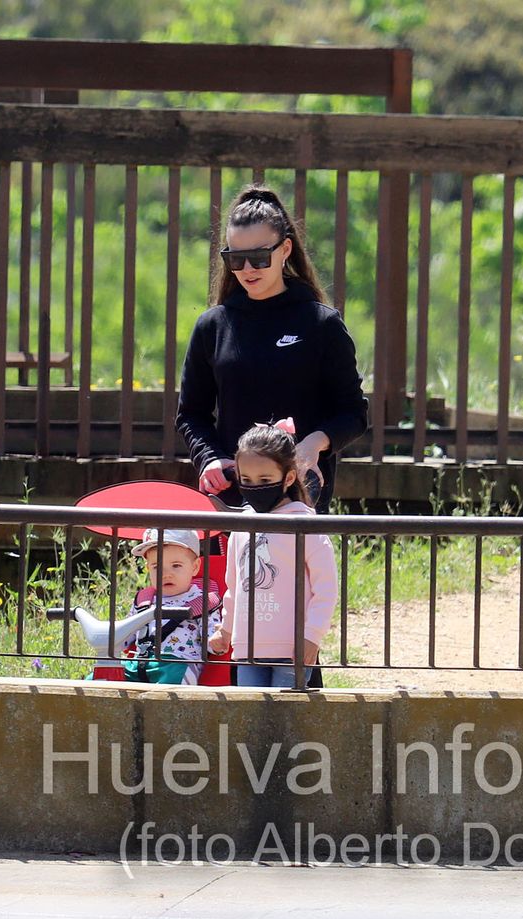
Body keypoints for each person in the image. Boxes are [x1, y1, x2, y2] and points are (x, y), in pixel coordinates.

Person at [177, 184, 369, 513]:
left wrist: (314, 443)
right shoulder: (212, 326)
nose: (248, 269)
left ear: (285, 249)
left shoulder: (321, 324)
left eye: (259, 257)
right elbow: (191, 414)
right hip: (232, 498)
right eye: (235, 259)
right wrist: (210, 458)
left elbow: (353, 413)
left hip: (300, 498)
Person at [205, 422, 339, 688]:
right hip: (246, 647)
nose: (254, 487)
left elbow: (326, 588)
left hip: (293, 648)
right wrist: (226, 629)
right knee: (250, 711)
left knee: (286, 712)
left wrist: (312, 636)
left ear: (288, 478)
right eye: (246, 480)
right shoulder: (241, 527)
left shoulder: (306, 526)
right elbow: (234, 587)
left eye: (265, 481)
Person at [121, 527, 218, 685]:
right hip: (138, 662)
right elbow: (125, 635)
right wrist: (110, 636)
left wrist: (217, 642)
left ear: (194, 567)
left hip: (177, 663)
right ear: (148, 568)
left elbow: (211, 640)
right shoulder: (144, 600)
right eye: (156, 567)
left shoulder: (202, 601)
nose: (166, 574)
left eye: (176, 565)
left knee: (173, 685)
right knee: (99, 676)